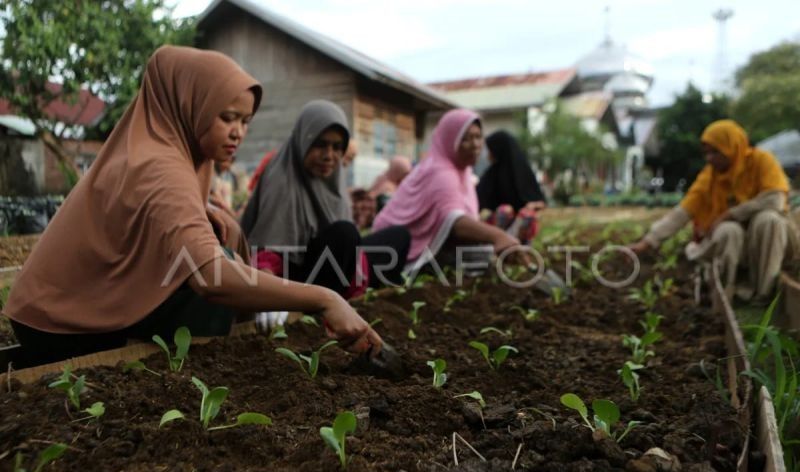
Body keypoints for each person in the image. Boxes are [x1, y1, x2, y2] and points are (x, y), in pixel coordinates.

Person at [3, 46, 381, 368]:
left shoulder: (174, 153)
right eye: (227, 117)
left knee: (220, 242)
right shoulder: (160, 166)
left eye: (246, 121)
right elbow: (209, 276)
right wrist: (323, 299)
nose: (238, 132)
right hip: (60, 327)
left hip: (67, 310)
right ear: (190, 106)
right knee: (211, 285)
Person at [241, 100, 410, 297]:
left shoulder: (332, 179)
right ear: (303, 141)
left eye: (337, 147)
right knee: (345, 234)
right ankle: (327, 303)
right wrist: (270, 293)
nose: (329, 156)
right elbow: (268, 250)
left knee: (399, 236)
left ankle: (367, 286)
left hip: (335, 265)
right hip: (297, 280)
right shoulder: (282, 179)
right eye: (320, 144)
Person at [629, 119, 799, 302]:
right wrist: (648, 241)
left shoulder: (762, 161)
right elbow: (683, 211)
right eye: (706, 153)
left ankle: (764, 293)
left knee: (767, 219)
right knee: (728, 230)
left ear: (732, 146)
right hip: (740, 244)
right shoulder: (709, 176)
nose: (709, 158)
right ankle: (729, 292)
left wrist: (730, 214)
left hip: (775, 239)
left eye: (715, 151)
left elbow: (775, 199)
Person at [372, 109, 523, 272]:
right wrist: (498, 236)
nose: (475, 145)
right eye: (465, 138)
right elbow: (453, 221)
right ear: (450, 141)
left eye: (478, 137)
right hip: (392, 252)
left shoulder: (463, 172)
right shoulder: (441, 171)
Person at [477, 130, 546, 244]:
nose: (488, 154)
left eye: (490, 150)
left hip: (519, 225)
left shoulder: (522, 172)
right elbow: (478, 202)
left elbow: (541, 202)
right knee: (504, 210)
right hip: (497, 226)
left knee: (527, 216)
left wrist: (531, 206)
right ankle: (500, 243)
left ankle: (514, 244)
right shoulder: (491, 174)